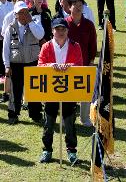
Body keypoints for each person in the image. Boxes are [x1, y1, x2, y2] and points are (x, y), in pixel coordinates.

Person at [38, 18, 83, 164]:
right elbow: (40, 66)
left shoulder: (75, 46)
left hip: (69, 90)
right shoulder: (46, 46)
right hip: (51, 90)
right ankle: (47, 150)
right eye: (57, 29)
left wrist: (70, 67)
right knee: (49, 122)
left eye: (63, 29)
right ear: (52, 31)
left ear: (67, 31)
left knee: (69, 123)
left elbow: (80, 67)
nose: (60, 32)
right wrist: (51, 66)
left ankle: (71, 151)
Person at [3, 1, 44, 124]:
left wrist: (31, 22)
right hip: (16, 63)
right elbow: (5, 48)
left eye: (25, 12)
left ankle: (36, 114)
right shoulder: (10, 28)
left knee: (34, 89)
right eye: (21, 12)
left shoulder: (35, 23)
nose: (24, 15)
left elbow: (40, 35)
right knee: (15, 90)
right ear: (16, 14)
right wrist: (7, 65)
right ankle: (13, 114)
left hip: (32, 61)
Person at [65, 0, 97, 126]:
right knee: (68, 94)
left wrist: (91, 60)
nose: (78, 8)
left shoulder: (89, 24)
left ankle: (84, 118)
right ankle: (66, 118)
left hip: (84, 63)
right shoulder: (65, 24)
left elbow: (93, 44)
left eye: (80, 5)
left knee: (85, 93)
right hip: (67, 65)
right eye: (75, 5)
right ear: (69, 7)